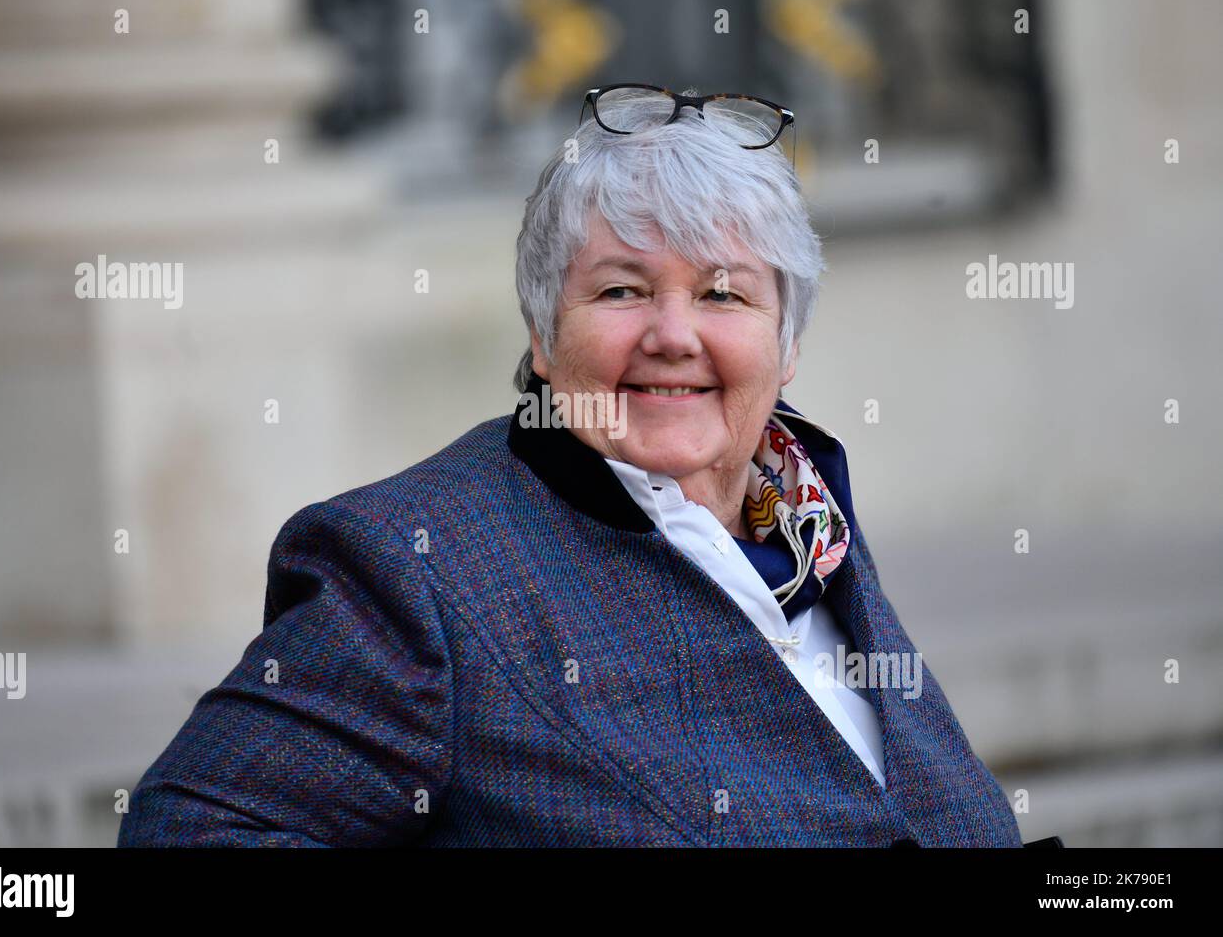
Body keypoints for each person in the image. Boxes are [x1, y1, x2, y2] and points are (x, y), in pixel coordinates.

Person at [118, 85, 1023, 846]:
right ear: (546, 337)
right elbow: (189, 828)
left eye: (724, 293)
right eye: (622, 289)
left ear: (785, 345)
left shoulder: (805, 522)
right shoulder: (420, 567)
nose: (674, 335)